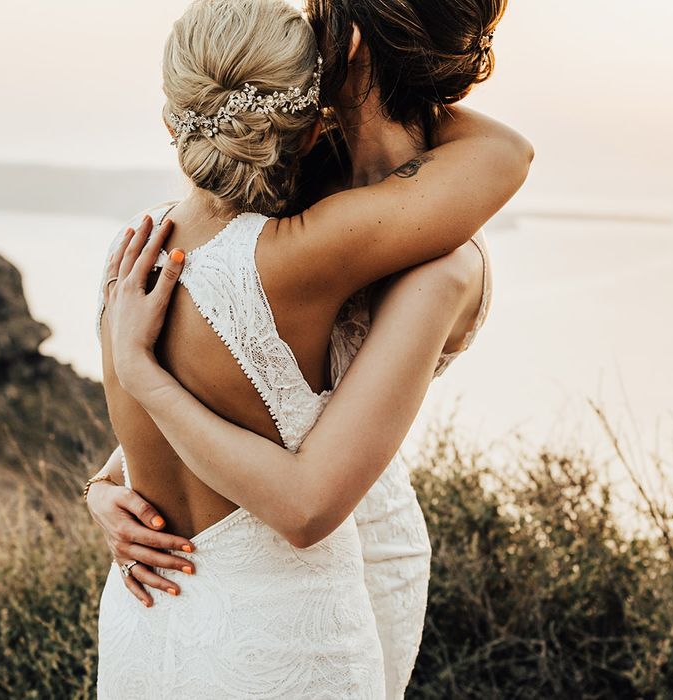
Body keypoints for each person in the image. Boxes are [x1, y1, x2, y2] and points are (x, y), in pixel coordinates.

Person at [89, 0, 531, 696]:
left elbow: (218, 399)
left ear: (171, 119)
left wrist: (108, 477)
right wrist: (363, 70)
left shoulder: (132, 260)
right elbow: (506, 154)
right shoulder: (303, 252)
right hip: (284, 636)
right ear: (302, 111)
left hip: (148, 616)